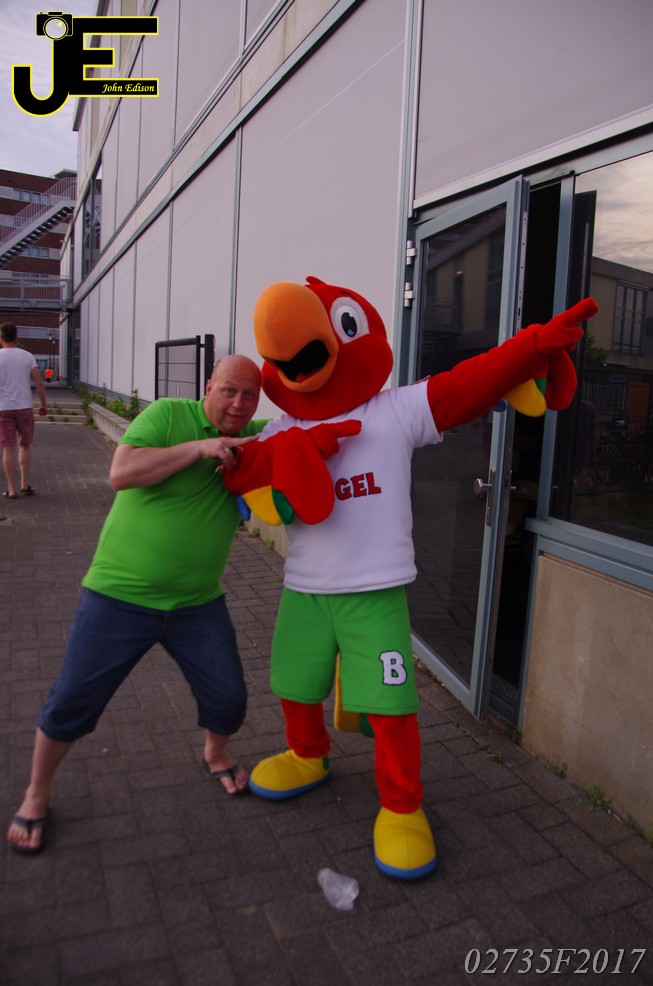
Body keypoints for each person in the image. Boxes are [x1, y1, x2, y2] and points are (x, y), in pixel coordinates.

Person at [7, 354, 267, 855]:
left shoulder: (255, 437)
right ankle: (36, 793)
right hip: (118, 595)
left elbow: (315, 424)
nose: (239, 403)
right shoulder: (168, 415)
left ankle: (215, 755)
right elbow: (121, 472)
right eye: (229, 390)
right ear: (208, 386)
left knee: (230, 697)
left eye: (250, 394)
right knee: (73, 699)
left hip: (197, 604)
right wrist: (200, 448)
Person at [0, 322, 48, 498]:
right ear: (16, 336)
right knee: (24, 445)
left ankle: (11, 489)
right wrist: (43, 404)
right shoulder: (27, 356)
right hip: (24, 407)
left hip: (4, 408)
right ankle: (24, 484)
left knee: (8, 447)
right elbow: (39, 382)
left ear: (1, 338)